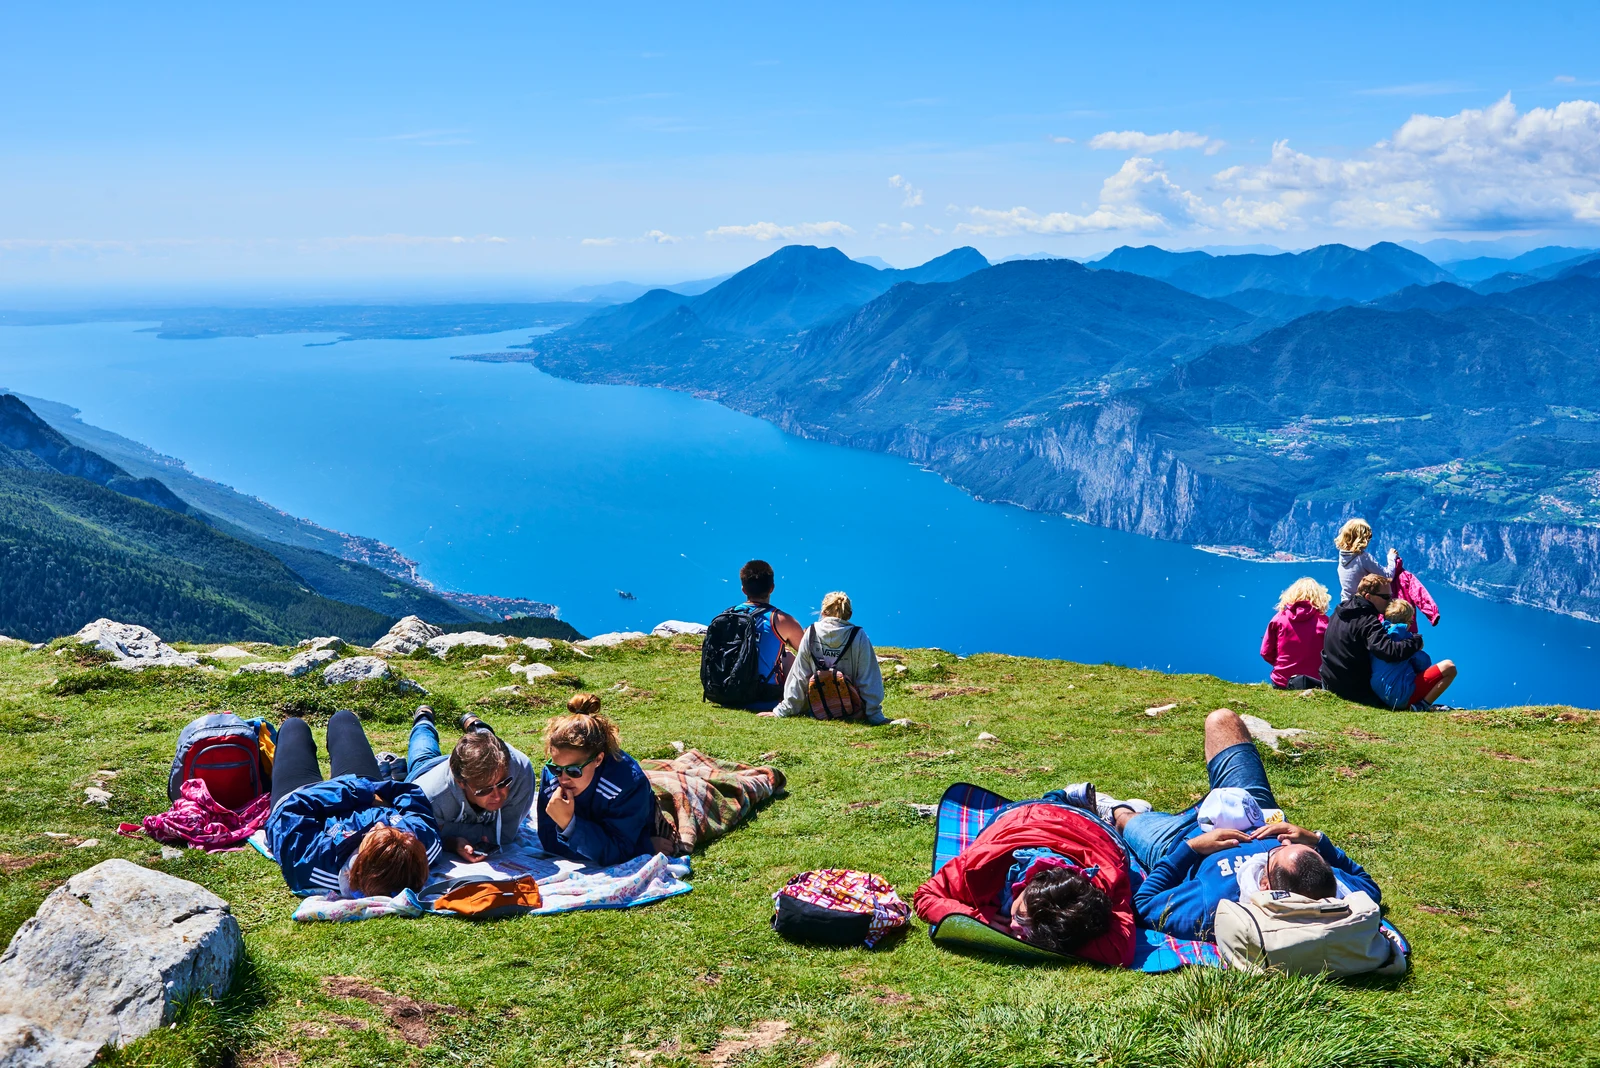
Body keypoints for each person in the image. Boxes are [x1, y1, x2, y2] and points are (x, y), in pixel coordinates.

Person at [1106, 709, 1379, 941]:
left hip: (1179, 837)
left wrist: (1189, 849)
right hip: (1253, 808)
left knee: (1126, 820)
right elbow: (1371, 887)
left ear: (1265, 883)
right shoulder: (1343, 893)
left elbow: (1143, 905)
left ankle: (1121, 809)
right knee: (1222, 719)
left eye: (1274, 854)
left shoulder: (1217, 905)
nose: (1283, 843)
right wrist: (1317, 840)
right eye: (1292, 845)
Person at [912, 788, 1135, 965]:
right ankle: (1062, 796)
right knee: (1052, 801)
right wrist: (975, 918)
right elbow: (925, 896)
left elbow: (1119, 952)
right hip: (1024, 815)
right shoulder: (983, 863)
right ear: (1025, 886)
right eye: (1019, 915)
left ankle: (1082, 803)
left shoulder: (1106, 882)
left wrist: (1061, 939)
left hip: (1095, 831)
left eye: (1031, 928)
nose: (1015, 928)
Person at [265, 709, 441, 897]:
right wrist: (365, 791)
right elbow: (411, 794)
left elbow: (290, 812)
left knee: (293, 726)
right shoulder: (420, 844)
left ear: (363, 860)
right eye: (392, 830)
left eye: (375, 835)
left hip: (304, 794)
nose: (380, 824)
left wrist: (360, 793)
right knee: (344, 719)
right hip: (362, 787)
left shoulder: (314, 864)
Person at [534, 694, 662, 866]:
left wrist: (569, 825)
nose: (562, 779)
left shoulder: (626, 783)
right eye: (556, 767)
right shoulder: (551, 779)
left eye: (573, 770)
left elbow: (621, 851)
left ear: (598, 760)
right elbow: (550, 843)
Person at [405, 705, 538, 862]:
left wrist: (446, 828)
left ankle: (476, 726)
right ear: (461, 783)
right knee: (423, 752)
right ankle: (424, 719)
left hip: (472, 761)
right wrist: (451, 842)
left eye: (503, 783)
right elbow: (424, 834)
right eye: (484, 790)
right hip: (426, 770)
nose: (497, 796)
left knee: (488, 745)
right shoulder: (427, 797)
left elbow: (504, 835)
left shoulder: (521, 771)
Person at [766, 590, 888, 723]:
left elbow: (799, 676)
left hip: (817, 710)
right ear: (849, 615)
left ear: (823, 612)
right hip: (852, 711)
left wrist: (783, 711)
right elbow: (869, 678)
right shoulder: (858, 636)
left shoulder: (811, 632)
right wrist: (874, 715)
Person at [1321, 574, 1425, 706]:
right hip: (1351, 690)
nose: (1390, 602)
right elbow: (1390, 652)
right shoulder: (1367, 621)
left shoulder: (1340, 609)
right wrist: (1415, 641)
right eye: (1386, 597)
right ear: (1368, 597)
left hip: (1329, 682)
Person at [728, 559, 804, 710]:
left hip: (727, 691)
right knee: (788, 656)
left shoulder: (728, 616)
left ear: (743, 589)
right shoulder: (783, 620)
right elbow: (808, 654)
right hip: (764, 696)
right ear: (772, 588)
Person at [1371, 600, 1457, 709]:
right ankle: (1422, 706)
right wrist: (1418, 647)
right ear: (1406, 622)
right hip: (1399, 696)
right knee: (1449, 667)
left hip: (1379, 692)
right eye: (1411, 621)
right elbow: (1424, 663)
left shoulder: (1378, 635)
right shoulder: (1406, 641)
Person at [1259, 577, 1330, 689]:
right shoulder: (1325, 622)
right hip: (1314, 681)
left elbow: (1265, 652)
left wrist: (1283, 665)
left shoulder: (1278, 619)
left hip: (1282, 681)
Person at [1334, 518, 1396, 603]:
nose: (1369, 540)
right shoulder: (1363, 558)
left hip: (1345, 604)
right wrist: (1391, 557)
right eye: (1368, 536)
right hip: (1362, 605)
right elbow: (1387, 576)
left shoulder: (1342, 557)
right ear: (1362, 538)